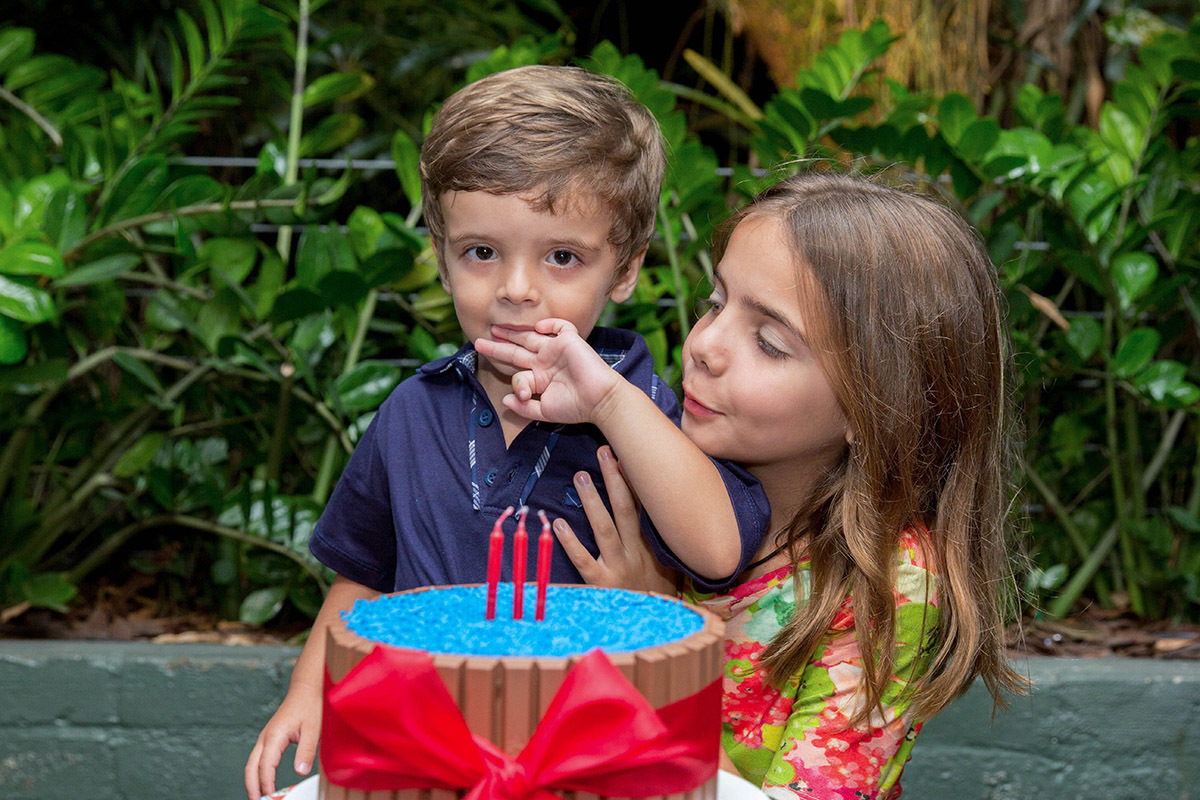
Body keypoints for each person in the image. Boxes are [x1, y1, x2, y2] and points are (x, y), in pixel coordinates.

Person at [243, 64, 769, 800]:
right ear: (442, 257)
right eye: (482, 252)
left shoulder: (655, 414)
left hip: (600, 765)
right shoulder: (411, 414)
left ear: (625, 269)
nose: (517, 288)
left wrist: (611, 405)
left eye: (562, 257)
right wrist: (310, 692)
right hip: (424, 756)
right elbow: (361, 574)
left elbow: (717, 550)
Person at [478, 171, 1029, 800]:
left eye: (768, 343)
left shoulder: (889, 580)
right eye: (715, 304)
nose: (705, 346)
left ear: (876, 406)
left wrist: (650, 639)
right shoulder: (657, 462)